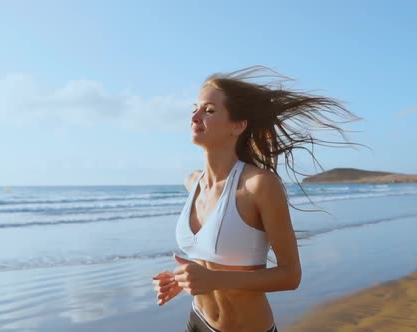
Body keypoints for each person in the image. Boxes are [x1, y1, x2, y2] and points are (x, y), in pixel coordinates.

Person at [152, 66, 358, 332]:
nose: (195, 116)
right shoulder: (192, 182)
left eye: (209, 110)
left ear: (238, 125)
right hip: (197, 321)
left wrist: (212, 279)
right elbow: (209, 260)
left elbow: (290, 275)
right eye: (195, 108)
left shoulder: (259, 185)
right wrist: (183, 280)